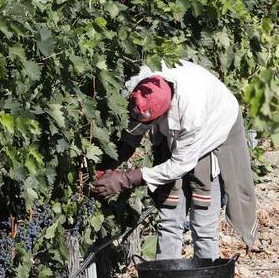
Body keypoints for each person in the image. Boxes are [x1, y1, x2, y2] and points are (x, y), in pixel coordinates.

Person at [91, 61, 258, 259]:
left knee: (203, 223)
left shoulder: (191, 113)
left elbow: (181, 164)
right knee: (169, 218)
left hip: (214, 131)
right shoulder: (142, 83)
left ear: (166, 111)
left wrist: (124, 179)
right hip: (180, 134)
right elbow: (135, 130)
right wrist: (109, 166)